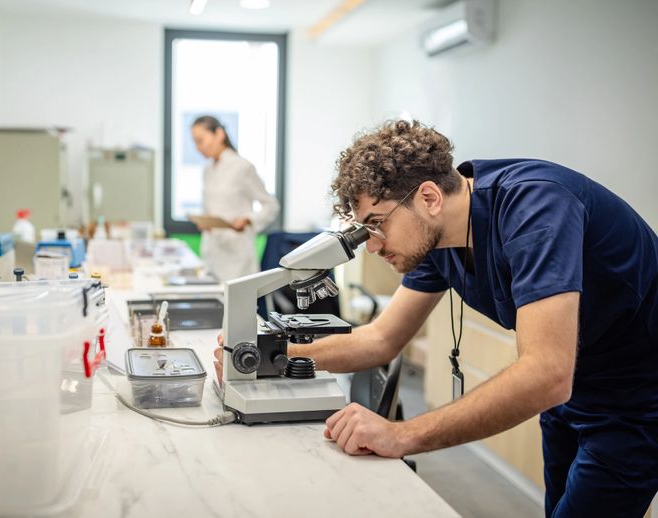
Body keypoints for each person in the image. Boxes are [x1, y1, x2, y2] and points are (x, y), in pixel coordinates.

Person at [215, 120, 658, 517]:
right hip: (572, 396)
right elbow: (381, 340)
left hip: (637, 400)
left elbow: (546, 372)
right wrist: (265, 353)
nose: (371, 245)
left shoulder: (536, 206)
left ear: (428, 196)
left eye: (376, 225)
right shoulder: (436, 239)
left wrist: (402, 435)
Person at [190, 115, 279, 282]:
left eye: (200, 140)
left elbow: (271, 206)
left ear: (219, 134)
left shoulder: (242, 167)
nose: (198, 147)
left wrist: (248, 219)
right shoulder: (207, 170)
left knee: (236, 304)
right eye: (195, 142)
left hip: (237, 257)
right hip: (212, 252)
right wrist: (206, 222)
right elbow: (210, 207)